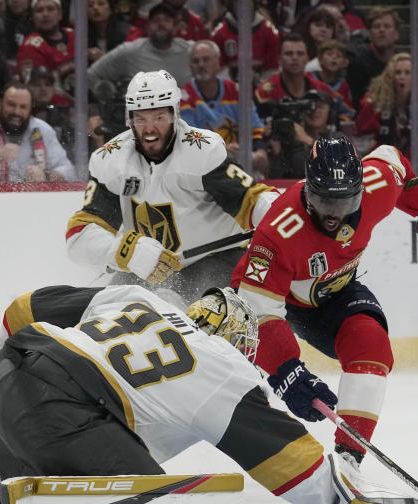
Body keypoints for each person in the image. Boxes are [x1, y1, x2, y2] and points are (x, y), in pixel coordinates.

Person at [0, 284, 418, 504]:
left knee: (85, 445)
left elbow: (23, 309)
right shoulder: (222, 366)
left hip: (7, 376)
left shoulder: (138, 298)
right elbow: (286, 456)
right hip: (60, 409)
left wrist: (16, 384)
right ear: (237, 342)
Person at [230, 137, 418, 472]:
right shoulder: (278, 233)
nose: (335, 215)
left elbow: (394, 158)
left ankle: (349, 461)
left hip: (337, 291)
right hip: (276, 302)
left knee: (372, 347)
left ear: (361, 190)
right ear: (308, 190)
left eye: (345, 201)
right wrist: (286, 372)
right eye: (324, 201)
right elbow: (255, 315)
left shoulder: (377, 185)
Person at [66, 69, 277, 305]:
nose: (149, 129)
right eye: (141, 118)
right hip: (147, 266)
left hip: (216, 260)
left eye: (158, 117)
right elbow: (78, 238)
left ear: (175, 114)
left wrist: (280, 213)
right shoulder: (111, 160)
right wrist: (127, 251)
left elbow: (251, 200)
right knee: (107, 312)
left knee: (197, 317)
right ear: (129, 118)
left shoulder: (201, 151)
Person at [0, 80, 74, 184]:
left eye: (23, 107)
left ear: (30, 109)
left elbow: (68, 170)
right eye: (11, 105)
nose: (17, 112)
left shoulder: (43, 130)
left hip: (33, 201)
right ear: (0, 103)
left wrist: (47, 176)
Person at [179, 40, 268, 177]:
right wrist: (223, 149)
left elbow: (255, 129)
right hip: (204, 163)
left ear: (217, 63)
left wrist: (260, 152)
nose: (201, 65)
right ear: (190, 67)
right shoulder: (184, 97)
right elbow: (190, 139)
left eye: (206, 59)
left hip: (241, 158)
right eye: (195, 61)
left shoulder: (236, 91)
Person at [87, 3, 194, 96]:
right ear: (147, 27)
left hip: (185, 115)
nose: (161, 24)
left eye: (167, 20)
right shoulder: (129, 51)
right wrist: (106, 97)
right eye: (156, 20)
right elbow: (90, 75)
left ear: (176, 27)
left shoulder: (191, 51)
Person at [355, 52, 418, 156]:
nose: (402, 77)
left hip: (412, 160)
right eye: (398, 73)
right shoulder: (373, 101)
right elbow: (362, 140)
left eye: (407, 73)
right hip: (379, 158)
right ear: (390, 76)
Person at [209, 0, 280, 86]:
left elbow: (272, 70)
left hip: (262, 89)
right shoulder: (219, 34)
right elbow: (218, 72)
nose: (243, 7)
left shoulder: (269, 32)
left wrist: (260, 90)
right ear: (230, 5)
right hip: (229, 91)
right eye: (238, 3)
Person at [346, 6, 401, 106]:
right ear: (370, 34)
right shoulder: (358, 63)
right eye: (376, 27)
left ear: (396, 34)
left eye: (387, 26)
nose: (381, 30)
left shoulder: (404, 63)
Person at [15, 0, 74, 84]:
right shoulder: (29, 48)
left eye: (50, 9)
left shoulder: (74, 35)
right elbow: (39, 91)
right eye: (39, 10)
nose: (45, 14)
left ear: (60, 14)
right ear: (32, 17)